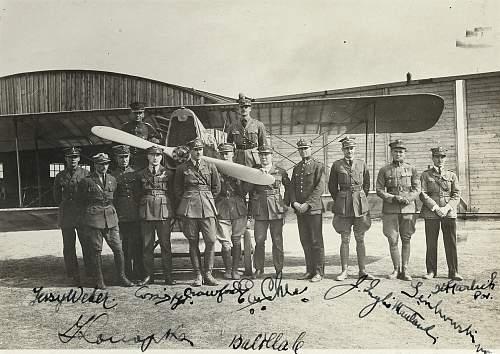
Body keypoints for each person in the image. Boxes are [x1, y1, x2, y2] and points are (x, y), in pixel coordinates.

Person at [76, 153, 133, 289]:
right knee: (96, 250)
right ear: (95, 165)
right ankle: (99, 280)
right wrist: (87, 217)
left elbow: (116, 198)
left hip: (111, 218)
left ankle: (122, 277)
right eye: (101, 164)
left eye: (106, 163)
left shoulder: (113, 179)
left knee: (118, 249)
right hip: (94, 218)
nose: (104, 166)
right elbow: (80, 201)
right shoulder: (86, 181)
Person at [174, 138, 221, 286]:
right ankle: (198, 275)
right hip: (189, 207)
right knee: (193, 241)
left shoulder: (211, 166)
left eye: (200, 149)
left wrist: (207, 198)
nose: (198, 151)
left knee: (211, 240)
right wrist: (187, 200)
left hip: (207, 206)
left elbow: (216, 187)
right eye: (195, 149)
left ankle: (208, 273)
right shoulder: (182, 168)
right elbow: (177, 189)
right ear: (190, 151)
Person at [329, 136, 373, 281]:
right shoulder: (337, 165)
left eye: (351, 148)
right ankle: (344, 271)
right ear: (342, 150)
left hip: (359, 204)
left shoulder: (362, 163)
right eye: (346, 148)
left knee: (360, 238)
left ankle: (363, 270)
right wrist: (341, 199)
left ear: (355, 149)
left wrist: (360, 198)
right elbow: (332, 187)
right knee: (345, 238)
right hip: (344, 205)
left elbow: (366, 184)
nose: (349, 151)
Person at [376, 139, 420, 281]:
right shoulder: (384, 170)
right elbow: (379, 189)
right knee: (392, 239)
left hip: (408, 209)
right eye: (395, 151)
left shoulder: (412, 169)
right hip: (390, 209)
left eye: (401, 151)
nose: (398, 154)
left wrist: (409, 198)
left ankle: (405, 270)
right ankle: (396, 269)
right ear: (391, 153)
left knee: (406, 238)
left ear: (405, 153)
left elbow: (417, 188)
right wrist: (393, 198)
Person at [247, 145, 290, 278]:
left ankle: (278, 269)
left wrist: (285, 205)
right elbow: (249, 189)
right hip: (260, 209)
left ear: (272, 155)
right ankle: (259, 268)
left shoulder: (280, 171)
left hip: (276, 208)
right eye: (261, 155)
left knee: (277, 240)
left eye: (266, 154)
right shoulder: (254, 171)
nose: (264, 157)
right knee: (259, 240)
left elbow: (289, 189)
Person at [420, 147, 463, 281]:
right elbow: (423, 193)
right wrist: (435, 207)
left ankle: (453, 271)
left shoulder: (452, 175)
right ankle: (431, 271)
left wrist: (447, 208)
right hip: (432, 212)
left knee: (451, 242)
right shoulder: (426, 175)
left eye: (442, 157)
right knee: (431, 242)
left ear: (446, 159)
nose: (440, 160)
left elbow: (456, 194)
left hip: (448, 212)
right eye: (437, 157)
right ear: (433, 158)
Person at [136, 145, 176, 286]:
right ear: (147, 156)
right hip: (146, 211)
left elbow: (173, 193)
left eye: (158, 155)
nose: (155, 158)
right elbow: (137, 194)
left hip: (164, 211)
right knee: (147, 246)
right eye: (152, 155)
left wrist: (173, 213)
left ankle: (168, 275)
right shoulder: (140, 174)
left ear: (161, 157)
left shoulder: (169, 174)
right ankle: (148, 276)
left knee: (165, 245)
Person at [288, 139, 325, 282]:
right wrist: (294, 203)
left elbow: (319, 188)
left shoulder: (318, 166)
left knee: (316, 241)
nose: (304, 151)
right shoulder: (297, 168)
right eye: (301, 149)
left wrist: (307, 204)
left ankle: (319, 272)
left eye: (306, 148)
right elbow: (292, 188)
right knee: (305, 241)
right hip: (300, 210)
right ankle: (309, 270)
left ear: (311, 149)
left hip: (313, 210)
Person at [53, 146, 91, 285]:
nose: (73, 159)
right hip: (67, 214)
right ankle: (73, 273)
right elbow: (56, 197)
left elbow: (89, 193)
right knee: (69, 246)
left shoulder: (86, 174)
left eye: (75, 157)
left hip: (82, 214)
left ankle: (90, 271)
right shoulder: (60, 176)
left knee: (86, 244)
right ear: (66, 159)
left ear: (79, 158)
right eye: (70, 157)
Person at [215, 143, 248, 280]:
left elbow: (246, 189)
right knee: (225, 242)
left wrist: (239, 180)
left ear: (233, 154)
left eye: (227, 153)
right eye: (222, 153)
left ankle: (235, 270)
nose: (225, 156)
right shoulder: (215, 169)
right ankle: (228, 269)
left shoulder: (240, 169)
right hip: (222, 207)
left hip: (238, 207)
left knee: (236, 239)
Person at [109, 145, 142, 281]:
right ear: (116, 158)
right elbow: (112, 197)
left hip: (135, 213)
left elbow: (140, 192)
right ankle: (126, 273)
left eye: (126, 157)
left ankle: (139, 273)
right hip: (120, 214)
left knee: (137, 244)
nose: (124, 160)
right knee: (124, 246)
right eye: (121, 157)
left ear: (129, 157)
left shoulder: (136, 173)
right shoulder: (112, 175)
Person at [226, 93, 267, 167]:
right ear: (239, 109)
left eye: (246, 107)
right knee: (238, 177)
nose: (244, 109)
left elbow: (263, 145)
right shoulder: (232, 126)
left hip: (254, 159)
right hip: (238, 158)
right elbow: (229, 145)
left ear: (250, 109)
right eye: (241, 107)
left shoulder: (259, 125)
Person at [121, 101, 162, 168]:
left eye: (140, 113)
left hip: (143, 160)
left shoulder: (148, 127)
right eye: (135, 113)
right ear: (131, 113)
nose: (137, 115)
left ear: (143, 114)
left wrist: (155, 140)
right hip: (128, 160)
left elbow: (158, 141)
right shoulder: (125, 127)